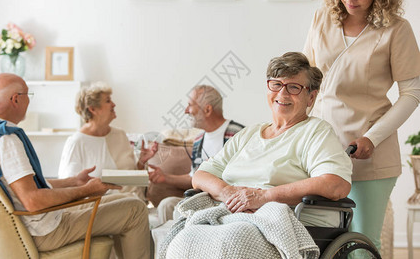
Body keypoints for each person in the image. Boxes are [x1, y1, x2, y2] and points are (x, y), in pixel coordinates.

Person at [0, 73, 150, 259]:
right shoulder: (7, 140)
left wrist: (75, 182)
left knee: (120, 199)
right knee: (135, 209)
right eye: (28, 96)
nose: (29, 102)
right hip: (43, 231)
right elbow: (32, 200)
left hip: (27, 224)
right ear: (16, 99)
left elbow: (21, 189)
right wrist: (84, 190)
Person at [303, 0, 420, 250]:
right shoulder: (322, 19)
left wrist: (372, 137)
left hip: (368, 154)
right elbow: (306, 78)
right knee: (321, 244)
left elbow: (412, 92)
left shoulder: (396, 30)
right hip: (321, 151)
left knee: (361, 246)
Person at [193, 52, 352, 227]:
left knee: (229, 239)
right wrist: (228, 193)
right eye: (276, 85)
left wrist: (264, 197)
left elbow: (336, 184)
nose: (282, 93)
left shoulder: (316, 132)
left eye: (293, 87)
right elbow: (201, 175)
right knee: (184, 237)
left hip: (283, 221)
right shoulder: (248, 134)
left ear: (311, 97)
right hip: (231, 216)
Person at [148, 85, 244, 223]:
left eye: (190, 105)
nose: (186, 111)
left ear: (207, 109)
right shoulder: (199, 140)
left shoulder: (237, 134)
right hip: (201, 199)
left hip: (228, 200)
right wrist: (165, 178)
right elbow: (194, 177)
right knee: (167, 204)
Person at [58, 82, 158, 200]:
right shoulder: (76, 142)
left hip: (135, 203)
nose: (114, 104)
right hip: (103, 208)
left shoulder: (120, 135)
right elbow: (69, 187)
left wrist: (141, 162)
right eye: (108, 101)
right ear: (93, 109)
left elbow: (131, 179)